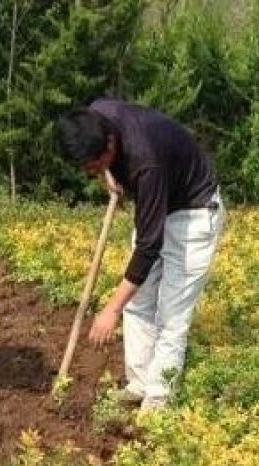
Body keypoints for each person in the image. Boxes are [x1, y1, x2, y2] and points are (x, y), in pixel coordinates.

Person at [58, 99, 225, 411]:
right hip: (160, 201)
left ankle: (158, 403)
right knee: (138, 302)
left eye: (96, 165)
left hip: (194, 214)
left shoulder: (145, 162)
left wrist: (110, 310)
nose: (91, 172)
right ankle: (140, 383)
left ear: (110, 144)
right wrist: (109, 174)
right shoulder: (96, 115)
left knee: (171, 315)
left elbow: (148, 248)